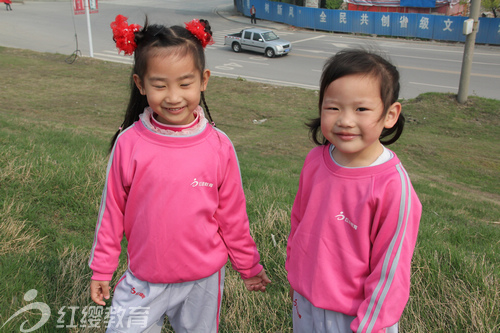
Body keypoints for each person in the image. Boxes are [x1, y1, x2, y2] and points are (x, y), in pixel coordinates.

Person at [89, 15, 270, 333]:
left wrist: (248, 265)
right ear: (140, 84)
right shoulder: (129, 143)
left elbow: (233, 217)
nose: (173, 97)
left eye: (185, 84)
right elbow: (111, 213)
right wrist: (101, 269)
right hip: (144, 278)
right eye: (160, 85)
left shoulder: (219, 146)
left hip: (203, 280)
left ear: (204, 80)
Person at [286, 49, 422, 333]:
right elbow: (299, 222)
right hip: (307, 303)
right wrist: (295, 279)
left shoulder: (393, 187)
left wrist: (369, 325)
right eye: (333, 107)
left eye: (361, 109)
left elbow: (391, 270)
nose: (345, 120)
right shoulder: (315, 161)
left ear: (390, 114)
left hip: (358, 317)